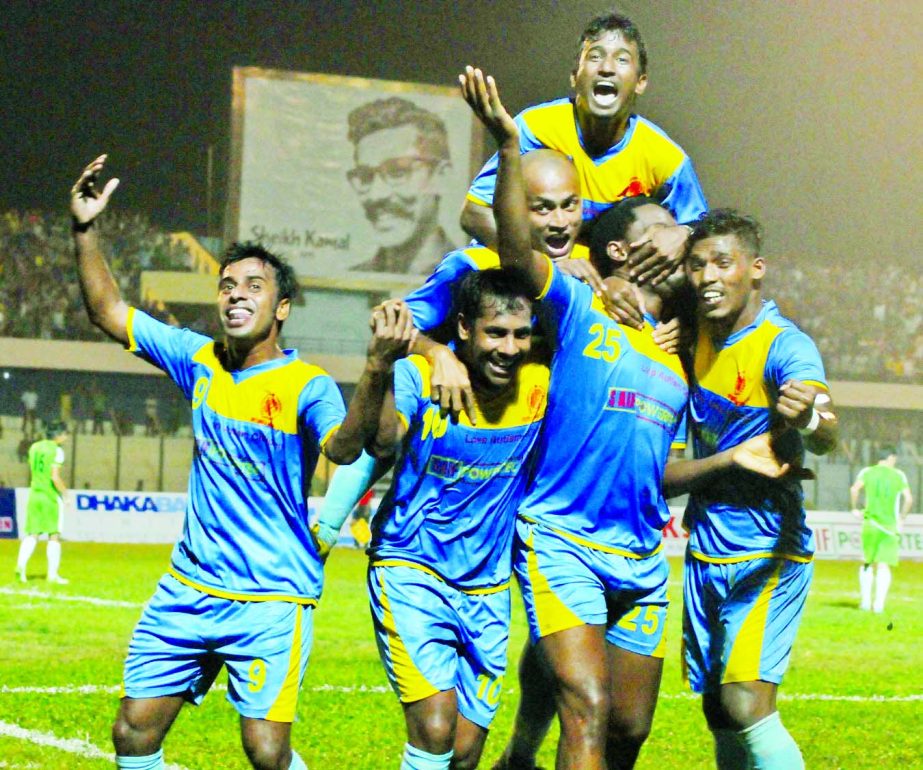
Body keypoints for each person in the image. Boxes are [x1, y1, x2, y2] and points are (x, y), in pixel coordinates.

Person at [71, 154, 412, 770]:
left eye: (255, 286)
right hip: (188, 587)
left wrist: (375, 368)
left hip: (272, 596)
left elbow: (343, 449)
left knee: (265, 751)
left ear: (281, 308)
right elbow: (108, 312)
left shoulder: (307, 384)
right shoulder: (197, 357)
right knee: (133, 734)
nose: (236, 293)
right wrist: (85, 230)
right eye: (228, 284)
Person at [461, 67, 689, 770]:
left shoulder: (677, 353)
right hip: (561, 538)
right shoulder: (578, 301)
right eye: (664, 232)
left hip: (644, 559)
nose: (677, 242)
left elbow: (659, 469)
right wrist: (505, 145)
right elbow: (515, 243)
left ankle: (520, 757)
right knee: (585, 704)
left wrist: (727, 466)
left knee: (628, 728)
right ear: (619, 249)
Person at [663, 209, 840, 770]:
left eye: (723, 262)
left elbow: (827, 431)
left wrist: (810, 418)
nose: (708, 276)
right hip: (706, 553)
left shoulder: (785, 345)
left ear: (755, 269)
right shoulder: (691, 342)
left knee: (745, 703)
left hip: (766, 551)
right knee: (719, 709)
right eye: (697, 265)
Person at [365, 269, 548, 770]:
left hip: (488, 588)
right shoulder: (419, 378)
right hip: (411, 568)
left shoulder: (541, 385)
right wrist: (390, 362)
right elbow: (382, 442)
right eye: (496, 333)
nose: (509, 348)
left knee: (464, 752)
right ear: (465, 328)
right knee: (435, 728)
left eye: (520, 334)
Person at [461, 11, 707, 287]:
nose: (607, 68)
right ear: (574, 77)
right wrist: (546, 267)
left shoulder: (666, 159)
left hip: (602, 288)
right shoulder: (535, 129)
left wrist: (685, 233)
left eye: (622, 59)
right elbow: (474, 214)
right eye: (595, 56)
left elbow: (703, 231)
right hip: (523, 278)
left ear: (641, 82)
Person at [347, 96, 453, 274]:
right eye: (365, 177)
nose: (376, 195)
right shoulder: (354, 280)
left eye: (397, 172)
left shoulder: (470, 279)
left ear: (441, 176)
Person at [850, 445, 913, 613]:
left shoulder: (867, 472)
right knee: (884, 565)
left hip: (870, 523)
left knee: (867, 562)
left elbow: (854, 489)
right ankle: (878, 605)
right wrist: (902, 518)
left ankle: (864, 603)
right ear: (891, 457)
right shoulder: (898, 475)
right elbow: (908, 499)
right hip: (889, 527)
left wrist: (854, 508)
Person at [15, 420, 69, 584]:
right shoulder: (57, 451)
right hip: (49, 496)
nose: (66, 437)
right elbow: (54, 476)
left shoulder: (34, 447)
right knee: (54, 535)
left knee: (33, 534)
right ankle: (52, 575)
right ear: (58, 435)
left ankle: (21, 567)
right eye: (65, 433)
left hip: (34, 494)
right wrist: (65, 494)